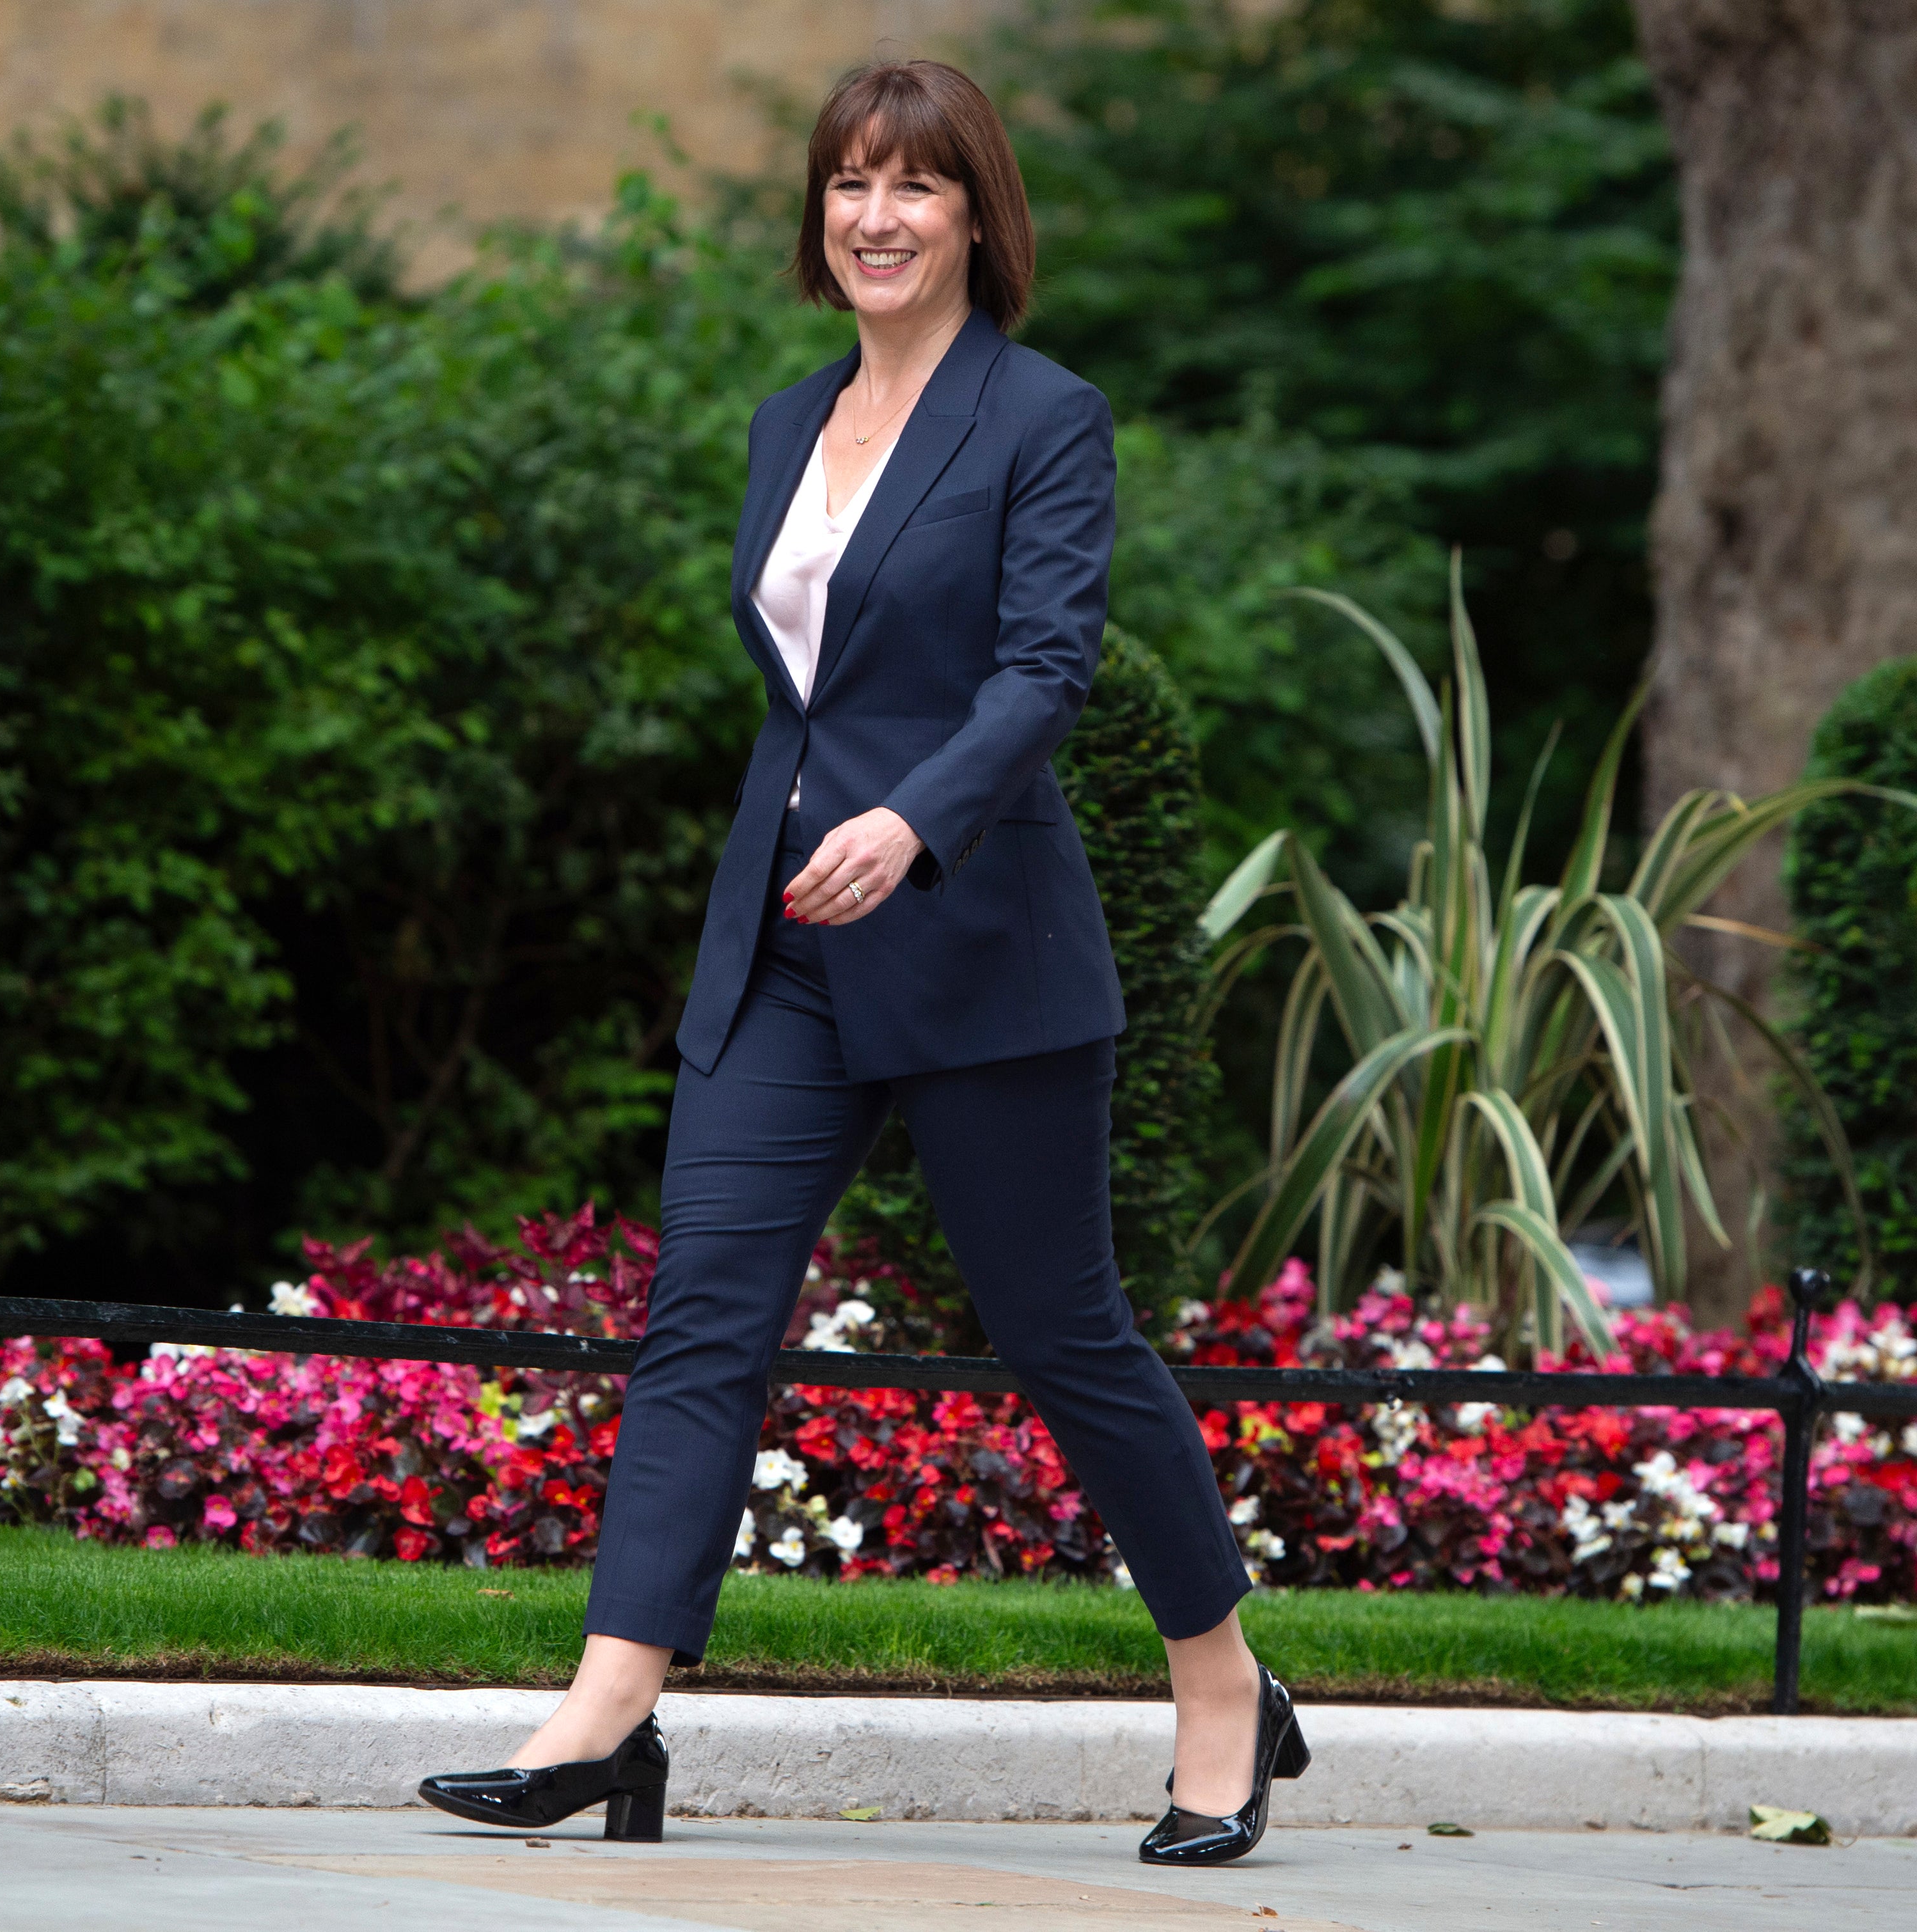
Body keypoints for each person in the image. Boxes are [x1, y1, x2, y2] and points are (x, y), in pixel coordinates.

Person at [415, 57, 1306, 1867]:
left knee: (1066, 1339)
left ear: (978, 215)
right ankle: (608, 1710)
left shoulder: (1041, 417)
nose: (874, 216)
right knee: (703, 1320)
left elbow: (1045, 670)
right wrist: (821, 847)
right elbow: (801, 692)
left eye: (914, 185)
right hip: (788, 947)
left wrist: (914, 822)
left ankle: (1224, 1689)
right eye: (846, 184)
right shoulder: (780, 425)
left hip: (978, 952)